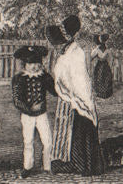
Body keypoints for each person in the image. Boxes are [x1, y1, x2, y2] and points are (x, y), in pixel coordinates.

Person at [49, 15, 105, 175]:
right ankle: (86, 165)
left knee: (82, 134)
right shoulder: (70, 51)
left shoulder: (75, 52)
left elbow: (79, 79)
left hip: (79, 98)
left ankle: (87, 166)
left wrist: (76, 98)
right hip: (77, 99)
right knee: (79, 134)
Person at [12, 45, 55, 177]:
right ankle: (27, 167)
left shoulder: (44, 76)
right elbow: (17, 100)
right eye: (31, 63)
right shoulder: (19, 78)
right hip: (27, 115)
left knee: (48, 141)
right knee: (28, 141)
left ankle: (48, 166)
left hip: (42, 114)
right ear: (25, 64)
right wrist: (30, 109)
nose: (35, 66)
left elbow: (54, 91)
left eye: (37, 63)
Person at [91, 34, 114, 99]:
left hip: (99, 65)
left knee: (100, 78)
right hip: (105, 65)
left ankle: (100, 93)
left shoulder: (97, 50)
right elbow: (111, 60)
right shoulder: (108, 50)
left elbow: (91, 57)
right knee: (105, 78)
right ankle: (106, 93)